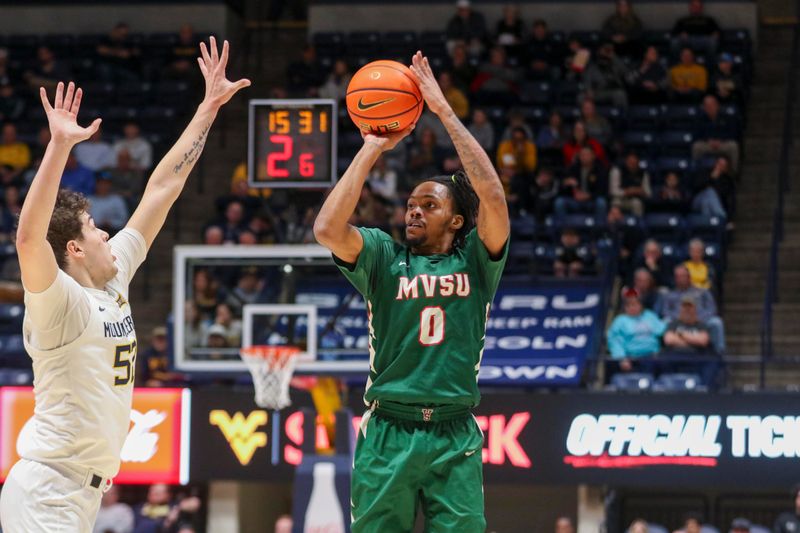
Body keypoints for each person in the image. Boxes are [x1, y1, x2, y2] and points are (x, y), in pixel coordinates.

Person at [0, 37, 249, 533]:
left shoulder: (115, 276)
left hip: (82, 492)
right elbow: (29, 237)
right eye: (94, 228)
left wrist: (208, 107)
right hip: (47, 488)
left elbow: (162, 187)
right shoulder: (59, 304)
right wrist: (58, 147)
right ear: (73, 249)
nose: (107, 233)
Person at [313, 51, 509, 533]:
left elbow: (493, 196)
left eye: (429, 204)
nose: (414, 212)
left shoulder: (477, 261)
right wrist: (371, 148)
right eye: (410, 204)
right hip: (388, 428)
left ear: (458, 220)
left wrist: (443, 111)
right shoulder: (383, 256)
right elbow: (326, 228)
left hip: (454, 430)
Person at [606, 288, 666, 371]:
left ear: (641, 305)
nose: (632, 307)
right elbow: (614, 341)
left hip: (654, 357)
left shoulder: (649, 316)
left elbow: (662, 330)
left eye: (635, 304)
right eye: (629, 305)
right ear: (625, 307)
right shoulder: (620, 320)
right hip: (632, 359)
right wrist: (622, 359)